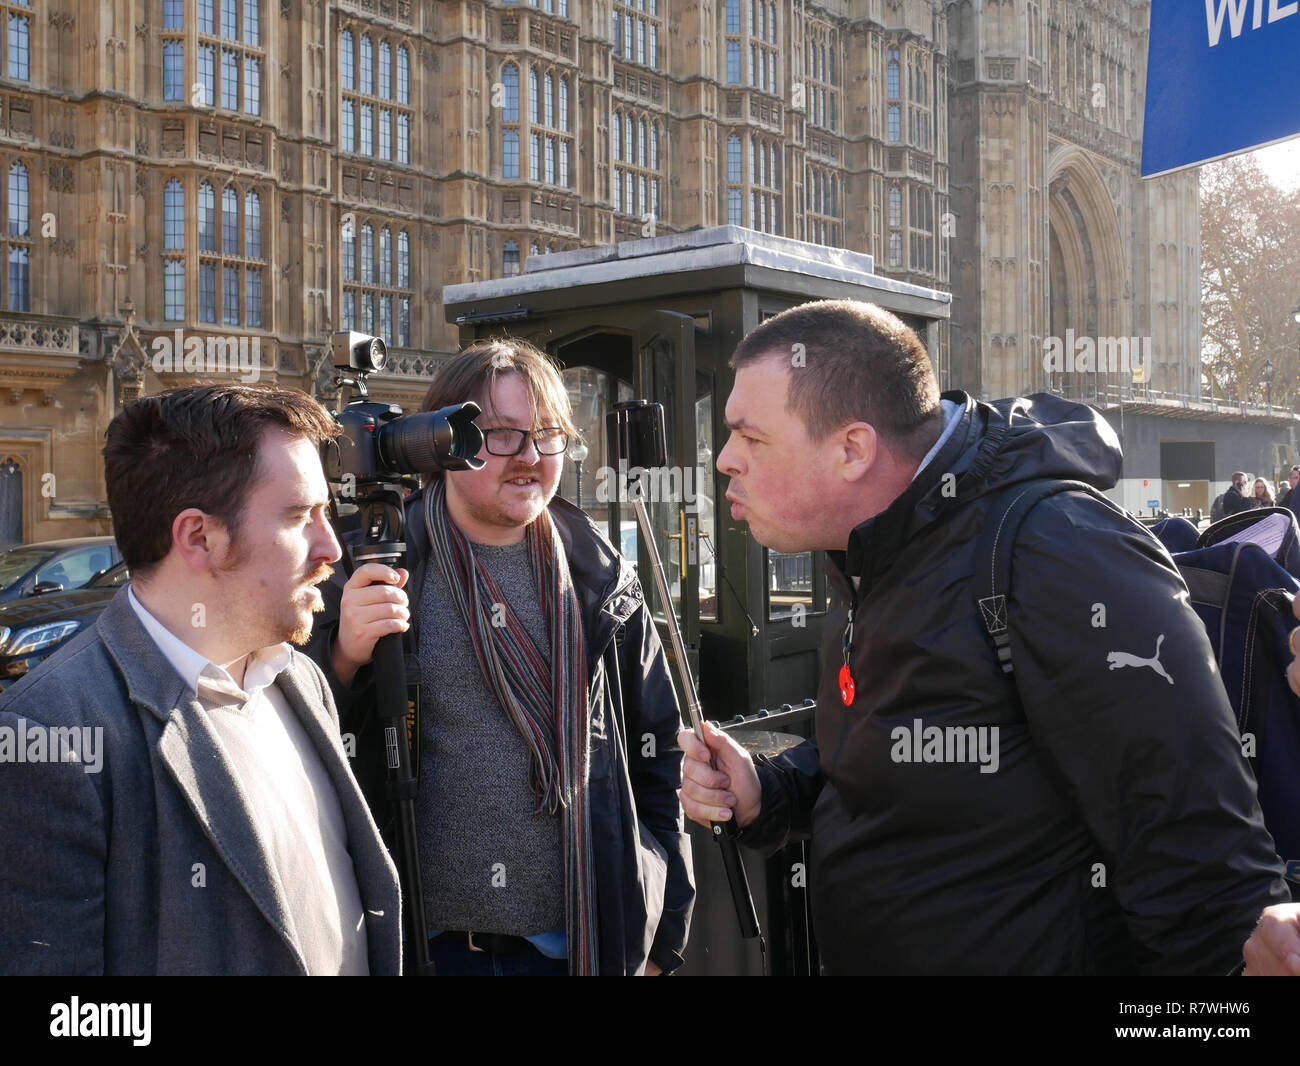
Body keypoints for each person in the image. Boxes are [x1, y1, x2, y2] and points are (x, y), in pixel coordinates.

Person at [679, 298, 1288, 975]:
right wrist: (770, 791)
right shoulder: (872, 548)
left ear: (853, 449)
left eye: (749, 436)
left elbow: (1201, 867)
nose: (725, 459)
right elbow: (894, 769)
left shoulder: (1057, 551)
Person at [307, 339, 694, 976]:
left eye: (546, 435)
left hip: (576, 946)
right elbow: (293, 741)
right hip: (420, 949)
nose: (530, 458)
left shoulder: (602, 579)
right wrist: (343, 658)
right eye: (501, 436)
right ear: (440, 442)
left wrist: (659, 938)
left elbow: (658, 758)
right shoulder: (366, 563)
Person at [0, 384, 400, 975]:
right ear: (198, 537)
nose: (331, 547)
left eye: (326, 512)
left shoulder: (300, 679)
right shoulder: (50, 732)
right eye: (299, 516)